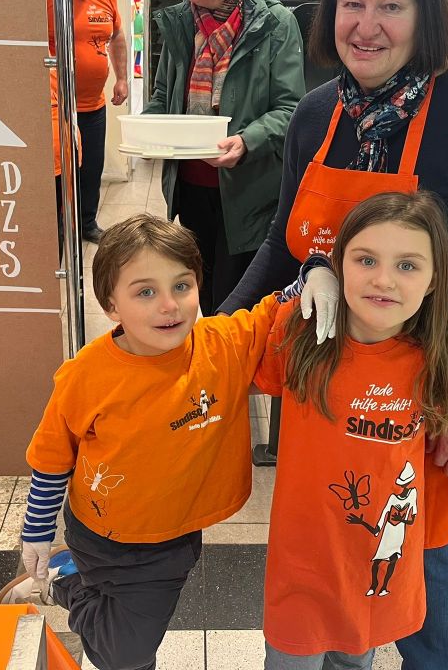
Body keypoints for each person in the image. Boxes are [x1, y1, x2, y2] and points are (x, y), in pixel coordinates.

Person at [220, 0, 448, 670]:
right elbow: (284, 245)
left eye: (391, 5)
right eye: (352, 3)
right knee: (336, 572)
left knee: (424, 587)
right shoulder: (316, 114)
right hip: (328, 399)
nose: (367, 26)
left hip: (428, 401)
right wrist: (215, 337)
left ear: (427, 13)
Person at [18, 214, 337, 670]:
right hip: (100, 533)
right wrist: (36, 532)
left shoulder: (220, 343)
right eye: (145, 292)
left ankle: (70, 580)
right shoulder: (86, 375)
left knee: (129, 635)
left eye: (182, 286)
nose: (169, 305)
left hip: (174, 536)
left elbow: (273, 307)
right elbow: (52, 459)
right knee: (125, 653)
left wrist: (317, 270)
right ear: (111, 306)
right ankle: (65, 582)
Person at [255, 192, 448, 669]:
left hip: (373, 566)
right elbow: (228, 346)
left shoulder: (438, 348)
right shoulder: (301, 332)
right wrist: (309, 273)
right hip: (303, 562)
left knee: (355, 659)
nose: (383, 280)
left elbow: (442, 436)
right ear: (340, 265)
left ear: (433, 280)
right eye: (365, 260)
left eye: (407, 266)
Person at [141, 0, 305, 316]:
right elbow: (163, 95)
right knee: (202, 288)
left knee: (235, 303)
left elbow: (291, 108)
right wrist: (146, 129)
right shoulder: (181, 22)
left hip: (246, 195)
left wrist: (248, 141)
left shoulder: (275, 25)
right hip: (189, 187)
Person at [47, 0, 128, 244]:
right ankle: (57, 229)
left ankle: (86, 223)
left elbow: (117, 35)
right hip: (55, 107)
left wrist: (121, 77)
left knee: (91, 170)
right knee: (59, 174)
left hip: (93, 105)